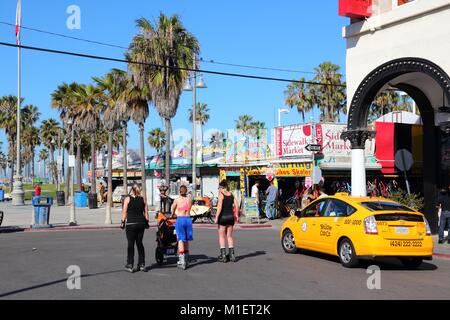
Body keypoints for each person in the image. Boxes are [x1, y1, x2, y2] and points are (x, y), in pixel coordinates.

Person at [120, 184, 149, 273]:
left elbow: (124, 212)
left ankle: (130, 264)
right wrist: (147, 222)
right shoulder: (143, 199)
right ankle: (142, 264)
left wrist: (122, 222)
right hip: (141, 223)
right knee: (140, 243)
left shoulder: (127, 199)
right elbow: (146, 213)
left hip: (131, 224)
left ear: (132, 190)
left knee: (131, 244)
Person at [215, 180, 240, 263]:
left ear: (222, 187)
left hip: (223, 217)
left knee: (221, 236)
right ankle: (232, 255)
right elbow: (237, 205)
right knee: (229, 236)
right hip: (231, 217)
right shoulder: (231, 194)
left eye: (219, 187)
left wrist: (216, 217)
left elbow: (219, 207)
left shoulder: (221, 195)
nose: (218, 189)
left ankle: (223, 256)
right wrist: (236, 214)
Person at [171, 185, 193, 269]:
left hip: (180, 219)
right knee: (186, 239)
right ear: (186, 191)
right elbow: (189, 207)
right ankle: (187, 259)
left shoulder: (177, 200)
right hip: (188, 219)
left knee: (180, 239)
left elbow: (172, 208)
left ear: (179, 191)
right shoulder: (190, 199)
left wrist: (173, 213)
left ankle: (181, 260)